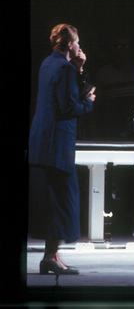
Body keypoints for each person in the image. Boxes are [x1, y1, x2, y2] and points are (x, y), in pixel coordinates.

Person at [29, 24, 96, 277]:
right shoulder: (64, 67)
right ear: (70, 45)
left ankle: (52, 256)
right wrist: (88, 103)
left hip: (43, 143)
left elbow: (62, 96)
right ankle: (51, 257)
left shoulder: (49, 63)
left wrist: (79, 69)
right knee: (61, 202)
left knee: (54, 203)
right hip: (56, 145)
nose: (80, 47)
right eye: (77, 42)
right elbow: (68, 108)